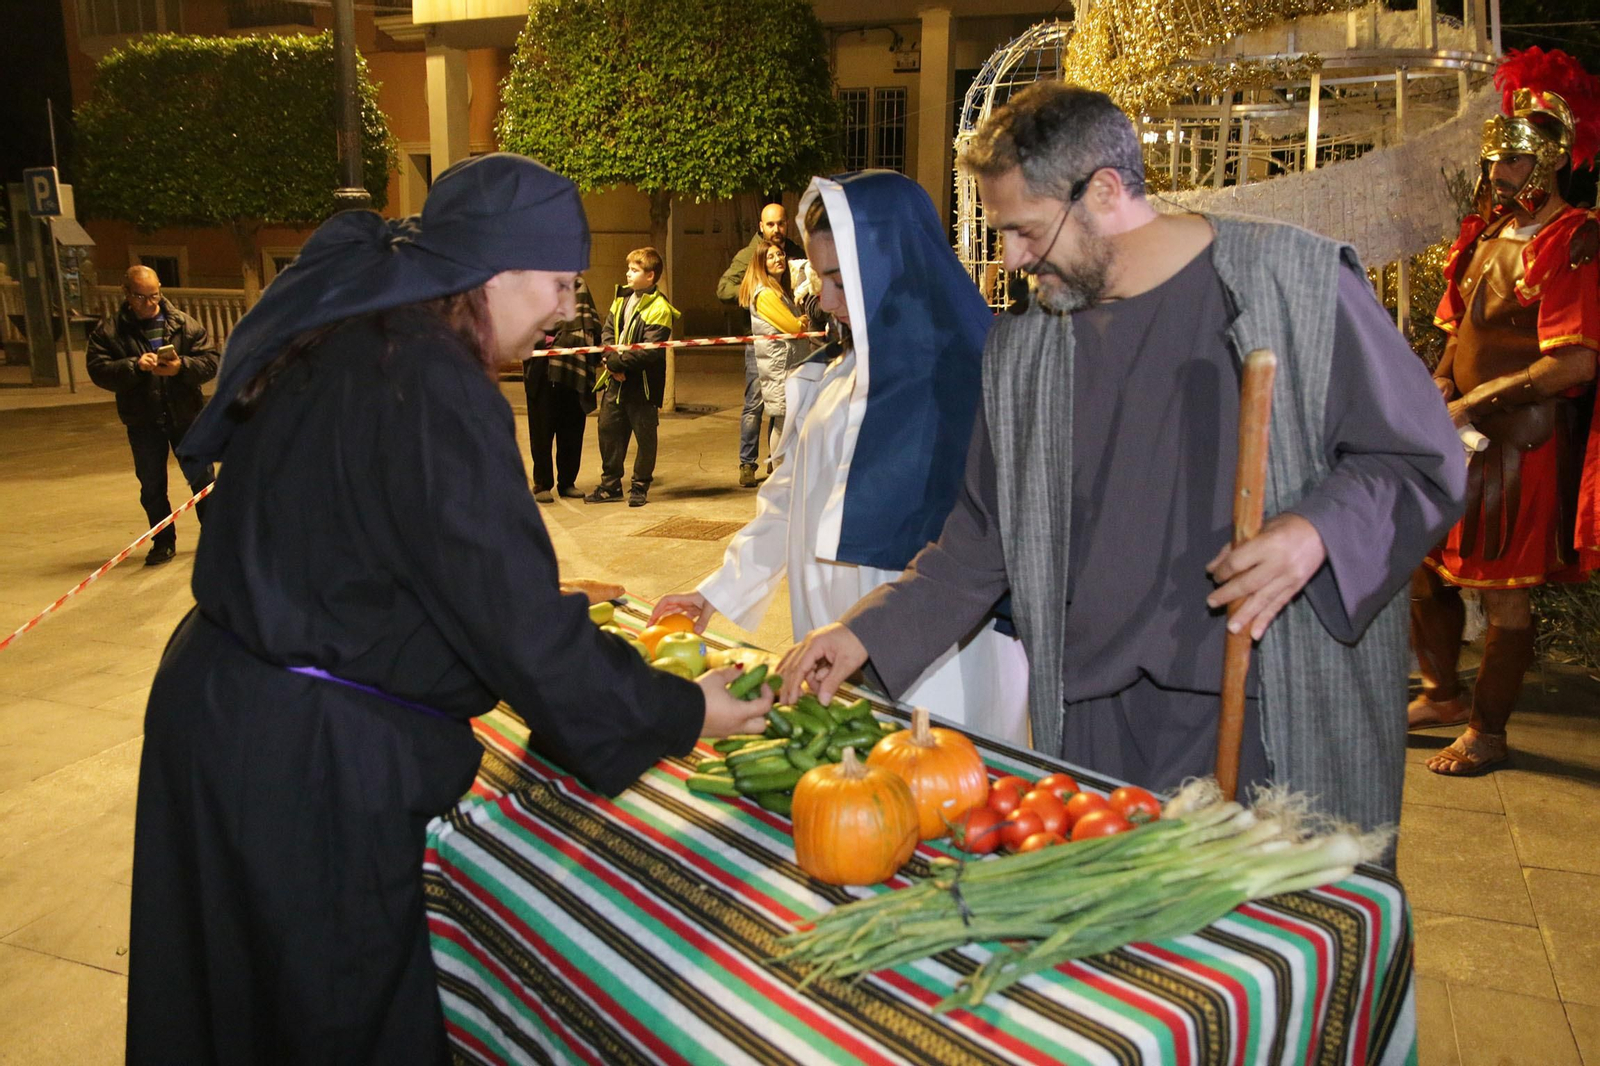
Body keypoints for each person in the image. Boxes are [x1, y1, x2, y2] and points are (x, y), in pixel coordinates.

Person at [127, 155, 773, 1066]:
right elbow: (519, 632)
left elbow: (359, 540)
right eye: (556, 283)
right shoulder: (430, 379)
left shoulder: (363, 334)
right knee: (334, 1018)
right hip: (306, 757)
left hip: (228, 711)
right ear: (496, 271)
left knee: (237, 1010)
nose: (562, 308)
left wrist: (514, 593)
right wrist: (682, 708)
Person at [778, 84, 1468, 841]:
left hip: (1266, 707)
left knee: (1260, 947)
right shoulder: (1025, 348)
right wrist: (865, 634)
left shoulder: (1294, 288)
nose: (1011, 259)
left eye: (1027, 230)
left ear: (1106, 191)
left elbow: (1418, 459)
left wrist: (1315, 532)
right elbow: (981, 540)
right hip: (1095, 723)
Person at [653, 170, 1031, 742]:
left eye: (840, 279)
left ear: (893, 267)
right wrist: (716, 590)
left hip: (942, 662)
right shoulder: (832, 371)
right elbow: (787, 499)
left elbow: (985, 547)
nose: (824, 301)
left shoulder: (974, 375)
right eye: (821, 278)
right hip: (836, 645)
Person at [1407, 48, 1600, 775]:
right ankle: (1443, 694)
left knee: (1502, 594)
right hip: (1458, 434)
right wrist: (1435, 388)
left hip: (1521, 446)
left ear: (1548, 163)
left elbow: (1572, 362)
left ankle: (1487, 732)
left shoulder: (1575, 240)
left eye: (1513, 164)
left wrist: (1477, 401)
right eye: (1494, 164)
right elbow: (1459, 333)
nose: (1497, 176)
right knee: (1425, 568)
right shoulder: (1485, 237)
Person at [85, 265, 219, 566]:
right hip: (143, 419)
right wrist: (134, 366)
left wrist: (181, 367)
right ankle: (162, 542)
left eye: (155, 295)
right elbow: (98, 369)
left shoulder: (184, 324)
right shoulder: (110, 331)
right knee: (152, 485)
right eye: (142, 297)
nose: (150, 303)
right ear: (127, 294)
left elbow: (210, 360)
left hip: (186, 416)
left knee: (203, 480)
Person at [718, 202, 806, 486]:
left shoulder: (794, 251)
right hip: (763, 343)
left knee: (783, 411)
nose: (776, 230)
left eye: (780, 223)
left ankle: (777, 465)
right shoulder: (749, 256)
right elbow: (723, 289)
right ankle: (748, 464)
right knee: (756, 404)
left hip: (790, 347)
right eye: (771, 225)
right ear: (761, 226)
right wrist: (753, 290)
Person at [587, 247, 679, 507]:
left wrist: (617, 362)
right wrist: (609, 361)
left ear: (650, 276)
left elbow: (649, 351)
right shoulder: (622, 299)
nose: (628, 273)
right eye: (629, 269)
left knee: (645, 436)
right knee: (608, 429)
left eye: (634, 270)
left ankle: (639, 485)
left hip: (643, 385)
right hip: (615, 381)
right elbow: (607, 332)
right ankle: (610, 484)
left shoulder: (660, 308)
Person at [524, 272, 600, 501]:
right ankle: (542, 484)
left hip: (572, 369)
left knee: (572, 429)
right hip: (542, 369)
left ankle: (567, 482)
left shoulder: (580, 286)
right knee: (541, 430)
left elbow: (592, 325)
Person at [740, 240, 811, 466]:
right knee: (782, 420)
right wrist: (801, 321)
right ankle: (781, 473)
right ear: (761, 263)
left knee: (788, 420)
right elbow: (793, 327)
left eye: (779, 254)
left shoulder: (777, 290)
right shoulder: (766, 294)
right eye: (770, 257)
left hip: (787, 364)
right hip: (780, 367)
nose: (778, 259)